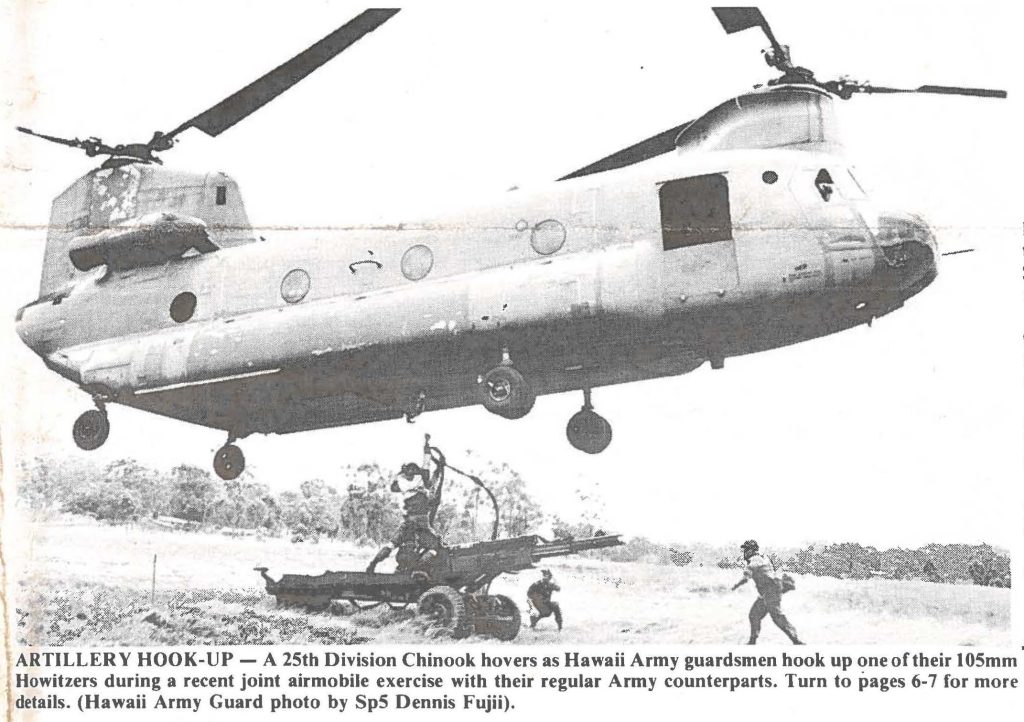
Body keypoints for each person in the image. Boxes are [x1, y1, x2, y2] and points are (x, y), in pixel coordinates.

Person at [366, 448, 446, 573]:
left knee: (391, 544)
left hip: (408, 521)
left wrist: (437, 467)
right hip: (421, 522)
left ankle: (372, 565)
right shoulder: (421, 482)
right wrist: (436, 462)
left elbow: (394, 486)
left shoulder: (403, 485)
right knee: (435, 547)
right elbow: (431, 473)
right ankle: (417, 568)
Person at [731, 540, 802, 645]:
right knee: (754, 614)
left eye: (746, 550)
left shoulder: (753, 561)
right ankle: (752, 641)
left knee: (777, 617)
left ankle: (796, 640)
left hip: (771, 591)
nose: (744, 553)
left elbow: (746, 578)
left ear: (751, 550)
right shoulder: (764, 558)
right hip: (768, 591)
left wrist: (735, 586)